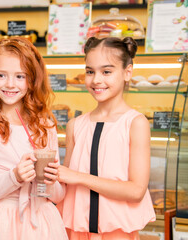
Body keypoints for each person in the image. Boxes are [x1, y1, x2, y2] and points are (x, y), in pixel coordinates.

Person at [0, 37, 68, 240]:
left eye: (20, 76)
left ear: (33, 80)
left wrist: (49, 181)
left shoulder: (46, 126)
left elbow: (57, 196)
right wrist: (15, 177)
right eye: (1, 75)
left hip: (43, 223)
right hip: (1, 224)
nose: (10, 84)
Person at [55, 37, 156, 240]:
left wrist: (79, 177)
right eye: (90, 71)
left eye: (106, 71)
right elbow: (64, 183)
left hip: (117, 233)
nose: (96, 80)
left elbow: (136, 190)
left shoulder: (135, 123)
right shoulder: (75, 125)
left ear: (127, 73)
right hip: (74, 231)